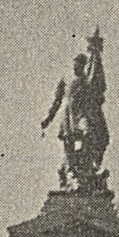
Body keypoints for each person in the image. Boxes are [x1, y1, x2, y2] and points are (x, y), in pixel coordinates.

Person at [41, 28, 109, 189]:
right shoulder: (66, 80)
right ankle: (72, 173)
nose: (76, 67)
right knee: (69, 146)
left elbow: (98, 86)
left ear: (84, 65)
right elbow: (56, 102)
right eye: (75, 64)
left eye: (80, 64)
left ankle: (85, 171)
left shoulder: (87, 80)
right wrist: (48, 119)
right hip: (68, 118)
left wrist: (96, 54)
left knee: (89, 136)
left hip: (82, 117)